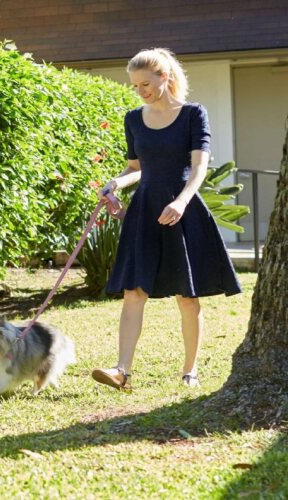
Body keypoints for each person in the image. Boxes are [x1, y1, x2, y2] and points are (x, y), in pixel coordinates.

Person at [91, 48, 241, 390]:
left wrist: (182, 202)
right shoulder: (133, 119)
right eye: (135, 86)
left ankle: (190, 372)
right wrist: (116, 184)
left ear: (165, 77)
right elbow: (136, 168)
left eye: (145, 83)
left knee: (187, 296)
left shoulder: (192, 114)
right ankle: (121, 372)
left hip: (182, 210)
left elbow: (199, 167)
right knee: (133, 292)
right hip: (145, 211)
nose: (140, 91)